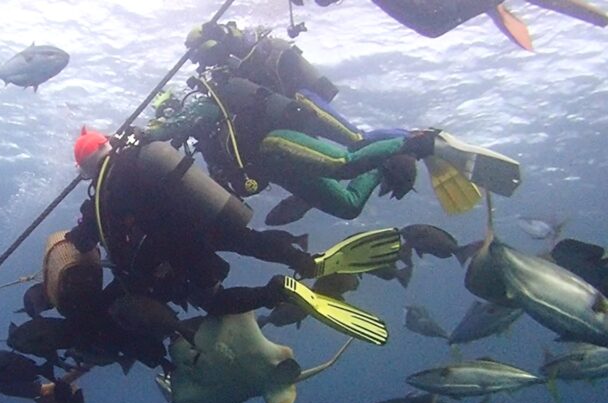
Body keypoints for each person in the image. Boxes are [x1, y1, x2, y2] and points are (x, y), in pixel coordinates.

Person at [64, 127, 400, 346]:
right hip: (205, 214)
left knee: (215, 302)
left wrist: (77, 232)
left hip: (178, 248)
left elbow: (84, 240)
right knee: (249, 241)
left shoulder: (101, 197)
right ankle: (305, 260)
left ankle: (275, 291)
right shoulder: (141, 156)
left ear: (86, 169)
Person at [143, 21, 440, 220]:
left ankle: (416, 140)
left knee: (349, 154)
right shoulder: (205, 121)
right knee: (347, 206)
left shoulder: (215, 94)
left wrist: (145, 133)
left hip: (279, 135)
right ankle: (385, 161)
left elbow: (172, 125)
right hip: (272, 165)